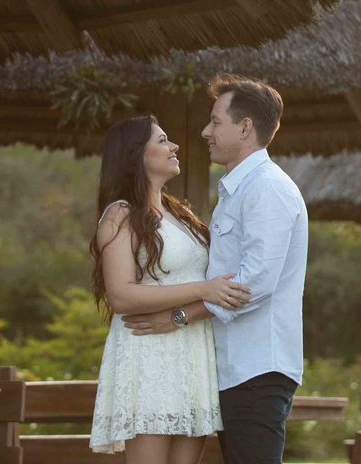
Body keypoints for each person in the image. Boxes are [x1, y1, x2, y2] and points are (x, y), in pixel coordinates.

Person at [122, 75, 308, 464]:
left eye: (215, 122)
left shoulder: (266, 188)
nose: (205, 131)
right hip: (234, 367)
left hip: (257, 367)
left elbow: (254, 283)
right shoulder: (238, 189)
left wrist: (179, 315)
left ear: (245, 127)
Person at [89, 115, 252, 464]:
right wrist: (203, 290)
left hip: (191, 351)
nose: (174, 146)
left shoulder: (178, 212)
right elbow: (121, 295)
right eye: (162, 140)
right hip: (148, 354)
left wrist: (199, 301)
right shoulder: (120, 214)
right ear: (136, 155)